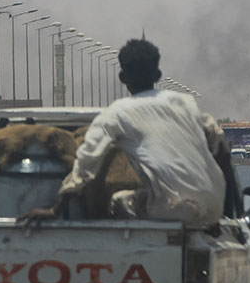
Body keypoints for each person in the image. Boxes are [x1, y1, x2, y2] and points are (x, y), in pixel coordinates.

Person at [21, 38, 227, 227]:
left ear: (122, 77)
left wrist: (55, 210)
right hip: (215, 206)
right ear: (157, 76)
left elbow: (86, 164)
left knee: (120, 201)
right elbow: (221, 145)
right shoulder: (185, 102)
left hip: (171, 209)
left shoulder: (116, 113)